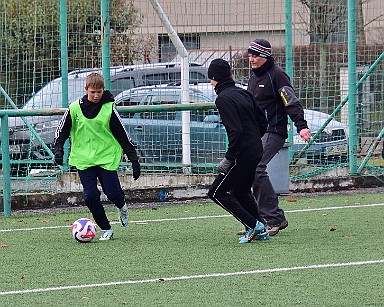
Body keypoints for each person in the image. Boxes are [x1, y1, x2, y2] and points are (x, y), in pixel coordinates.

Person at [53, 72, 141, 241]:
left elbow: (123, 135)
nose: (96, 95)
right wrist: (58, 149)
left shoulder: (109, 109)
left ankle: (121, 206)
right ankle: (106, 228)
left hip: (106, 157)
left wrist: (134, 159)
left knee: (113, 193)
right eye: (93, 92)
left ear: (103, 90)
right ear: (86, 89)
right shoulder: (74, 108)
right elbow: (61, 131)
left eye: (99, 92)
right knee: (90, 196)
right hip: (84, 159)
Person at [245, 38, 311, 236]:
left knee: (256, 168)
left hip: (274, 131)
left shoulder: (277, 75)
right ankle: (256, 220)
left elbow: (290, 101)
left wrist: (302, 126)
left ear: (265, 55)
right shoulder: (254, 76)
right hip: (256, 133)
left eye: (255, 55)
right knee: (245, 170)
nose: (251, 59)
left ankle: (274, 218)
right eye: (250, 55)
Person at [206, 58, 269, 243]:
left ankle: (253, 225)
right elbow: (262, 122)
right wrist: (253, 140)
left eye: (211, 78)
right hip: (256, 150)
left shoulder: (223, 99)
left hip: (242, 154)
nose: (210, 82)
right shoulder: (244, 93)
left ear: (215, 78)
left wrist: (229, 158)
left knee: (216, 192)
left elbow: (236, 131)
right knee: (241, 191)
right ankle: (261, 227)